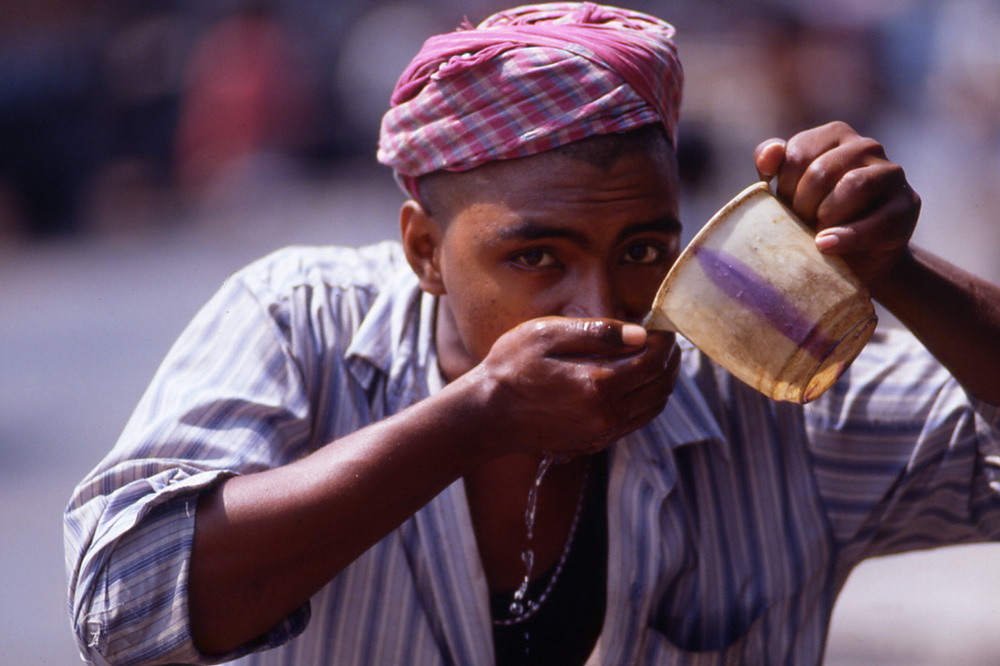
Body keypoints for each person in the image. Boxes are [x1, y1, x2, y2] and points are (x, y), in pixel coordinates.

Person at [64, 3, 1000, 665]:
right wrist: (472, 420)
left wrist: (895, 267)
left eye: (642, 250)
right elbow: (126, 607)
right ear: (425, 252)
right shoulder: (298, 322)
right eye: (536, 258)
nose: (600, 305)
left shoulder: (752, 379)